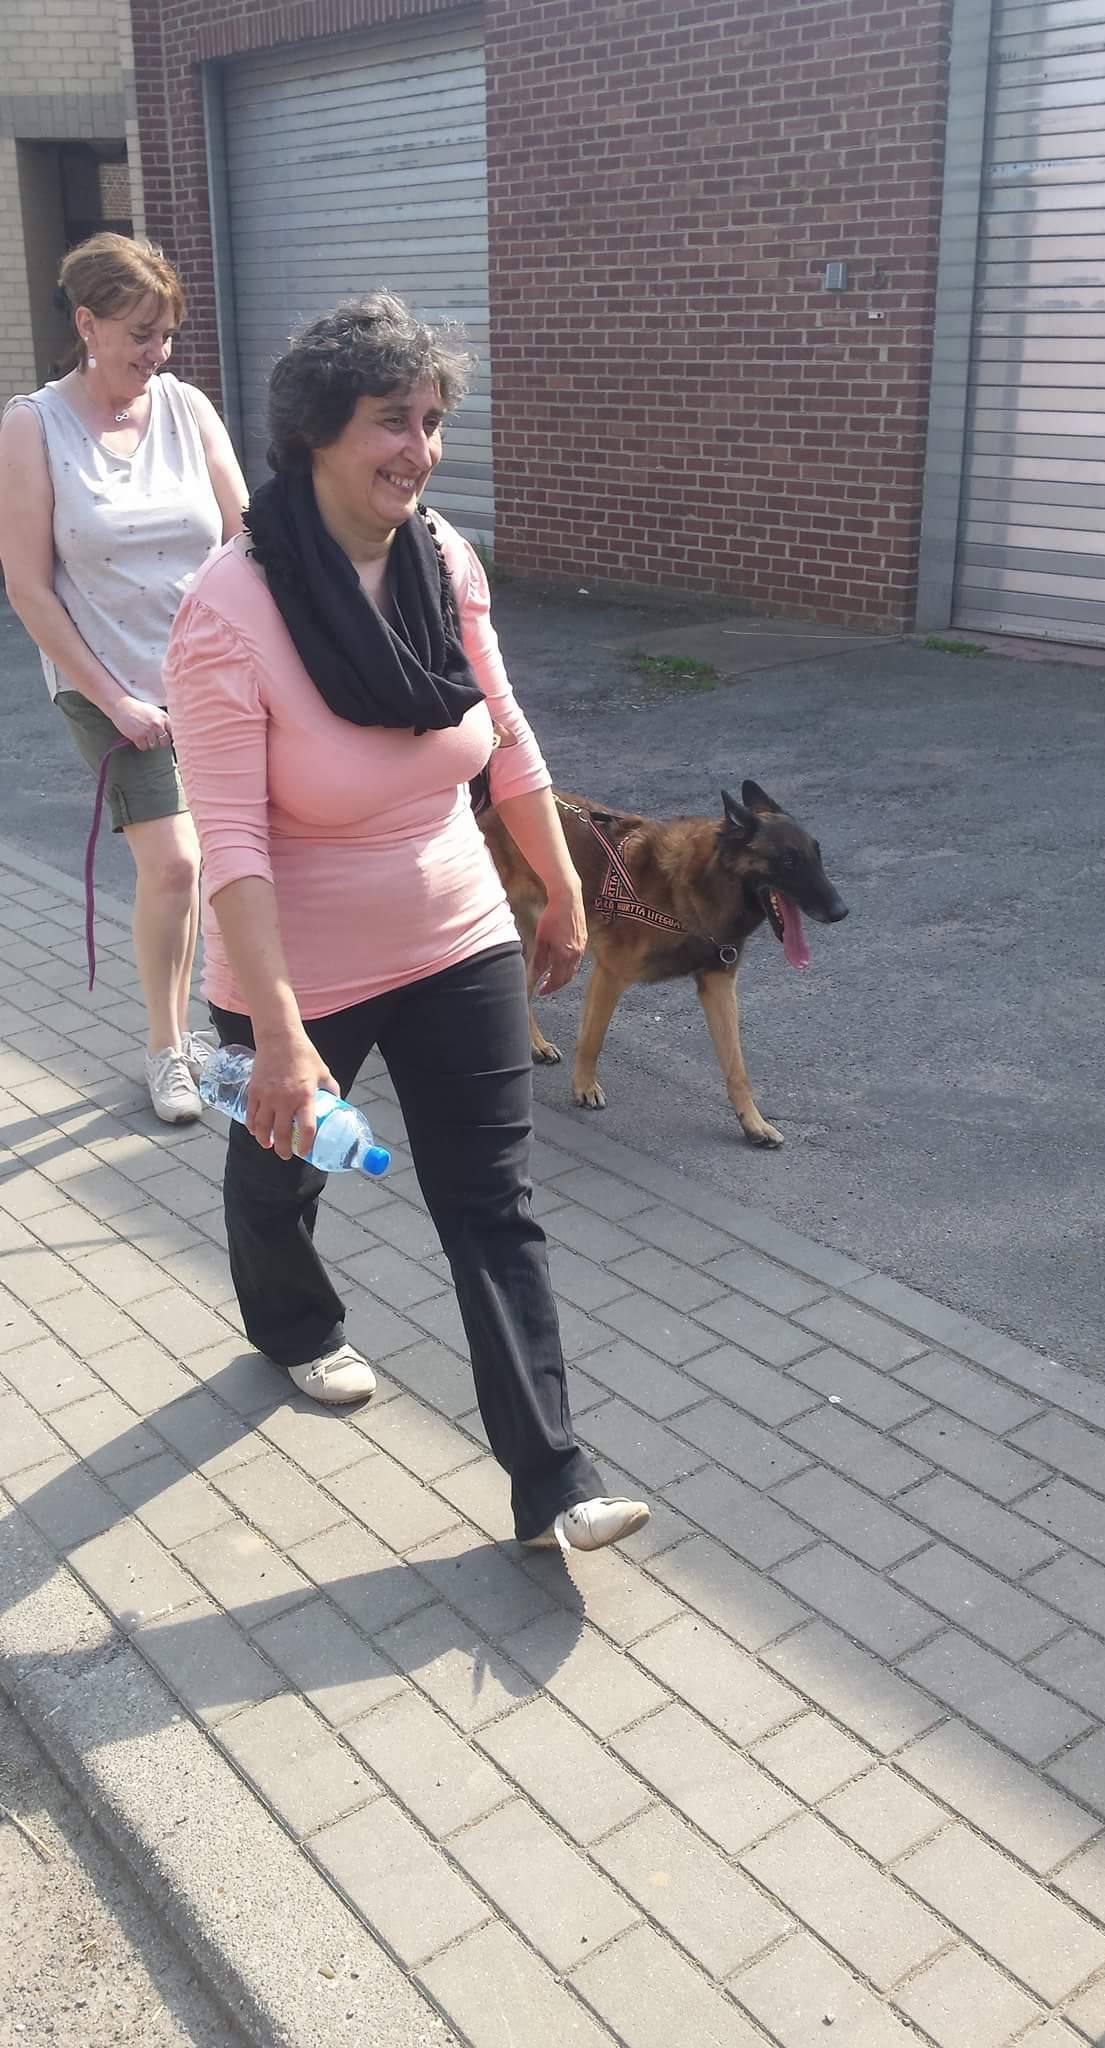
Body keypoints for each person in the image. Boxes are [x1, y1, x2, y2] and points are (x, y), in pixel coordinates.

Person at [162, 292, 648, 1554]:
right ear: (317, 431)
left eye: (433, 420)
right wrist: (278, 1036)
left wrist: (564, 886)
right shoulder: (228, 609)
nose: (420, 448)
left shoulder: (443, 559)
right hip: (290, 966)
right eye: (392, 420)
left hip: (455, 930)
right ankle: (293, 1321)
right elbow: (233, 842)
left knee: (491, 1200)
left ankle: (554, 1478)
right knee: (279, 1172)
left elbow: (504, 731)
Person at [0, 232, 248, 1124]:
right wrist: (116, 699)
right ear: (87, 324)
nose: (159, 352)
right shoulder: (33, 426)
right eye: (142, 333)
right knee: (174, 861)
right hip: (105, 683)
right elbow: (28, 588)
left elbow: (244, 533)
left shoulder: (186, 408)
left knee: (224, 857)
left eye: (167, 333)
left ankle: (221, 1022)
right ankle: (165, 1049)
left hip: (208, 677)